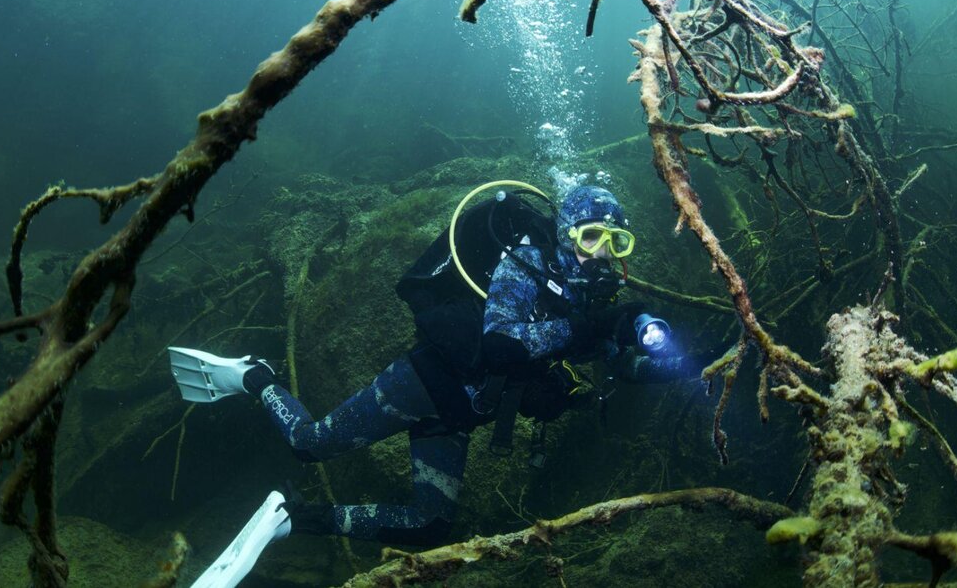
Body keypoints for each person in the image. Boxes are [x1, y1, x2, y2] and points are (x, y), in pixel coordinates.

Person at [168, 184, 695, 585]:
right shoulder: (529, 265)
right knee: (310, 444)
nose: (602, 252)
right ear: (567, 235)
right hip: (421, 383)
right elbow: (501, 342)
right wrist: (587, 326)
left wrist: (690, 363)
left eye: (616, 240)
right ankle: (254, 375)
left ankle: (289, 520)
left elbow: (620, 367)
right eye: (591, 236)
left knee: (429, 525)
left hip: (457, 417)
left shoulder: (588, 305)